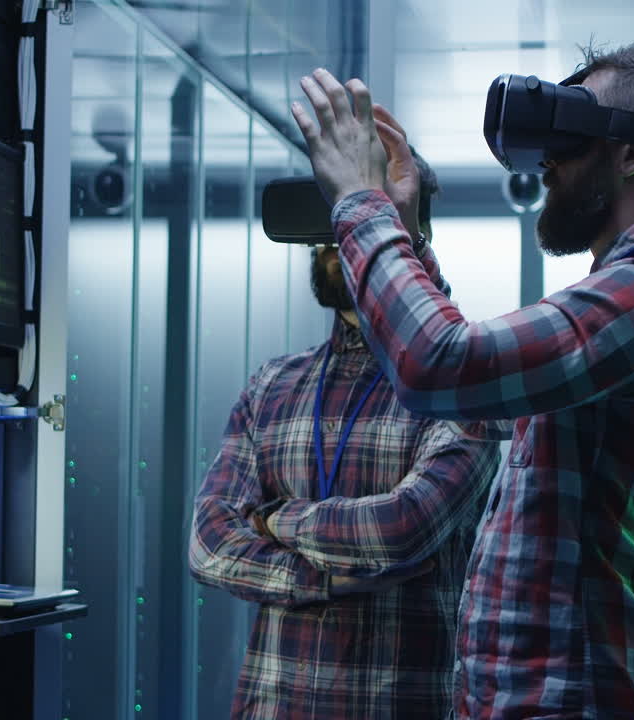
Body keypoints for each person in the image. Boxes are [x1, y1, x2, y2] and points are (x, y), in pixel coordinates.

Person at [290, 45, 634, 718]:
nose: (548, 162)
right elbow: (477, 387)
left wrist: (361, 203)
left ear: (632, 153)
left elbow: (437, 363)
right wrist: (409, 233)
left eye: (570, 136)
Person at [187, 149, 502, 719]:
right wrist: (322, 580)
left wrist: (275, 520)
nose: (338, 233)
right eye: (334, 210)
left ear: (408, 232)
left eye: (362, 211)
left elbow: (401, 530)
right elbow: (209, 543)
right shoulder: (272, 386)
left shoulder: (461, 384)